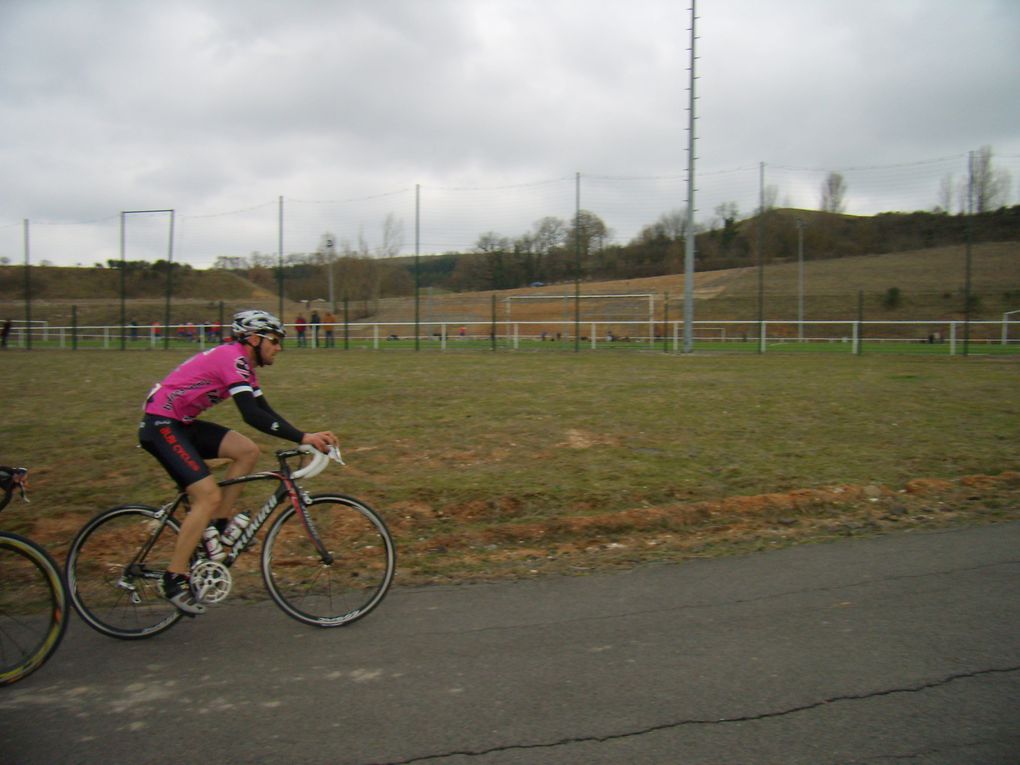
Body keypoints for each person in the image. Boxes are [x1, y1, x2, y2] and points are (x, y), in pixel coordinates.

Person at [138, 309, 338, 615]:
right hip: (162, 425)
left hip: (180, 423)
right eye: (274, 340)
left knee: (247, 451)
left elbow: (264, 409)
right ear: (254, 339)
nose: (278, 347)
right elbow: (251, 415)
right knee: (206, 494)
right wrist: (302, 438)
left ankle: (217, 525)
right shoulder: (232, 358)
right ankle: (174, 577)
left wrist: (303, 435)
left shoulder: (244, 365)